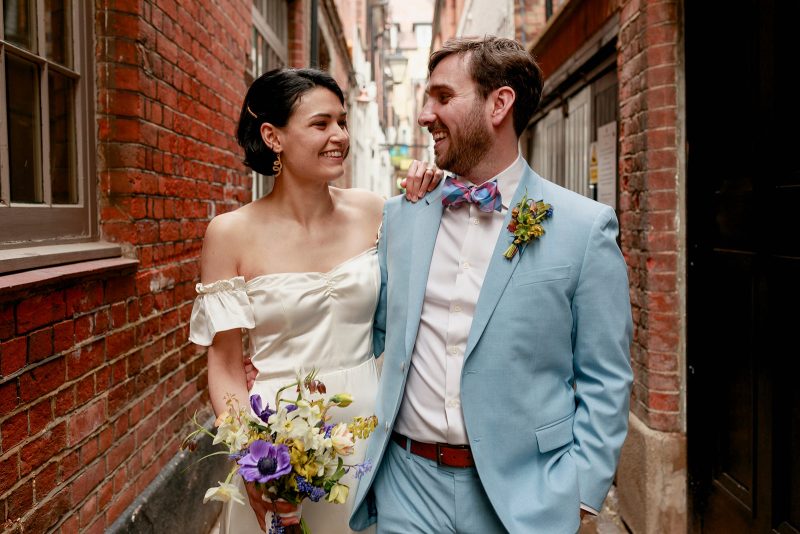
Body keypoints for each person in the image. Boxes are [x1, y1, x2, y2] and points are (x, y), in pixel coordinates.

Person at [349, 36, 633, 534]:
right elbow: (371, 328)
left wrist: (581, 493)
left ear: (499, 103)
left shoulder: (584, 228)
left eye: (442, 97)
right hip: (407, 488)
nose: (424, 115)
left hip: (525, 497)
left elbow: (605, 376)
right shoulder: (403, 215)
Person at [188, 68, 440, 534]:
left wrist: (427, 193)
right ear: (273, 137)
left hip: (367, 432)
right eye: (321, 124)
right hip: (276, 442)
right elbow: (223, 366)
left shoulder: (374, 211)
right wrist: (253, 460)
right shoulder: (230, 234)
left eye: (342, 122)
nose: (340, 136)